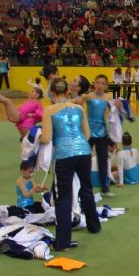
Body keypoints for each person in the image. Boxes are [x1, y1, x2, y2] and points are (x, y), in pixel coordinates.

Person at [40, 78, 101, 251]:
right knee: (86, 188)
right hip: (84, 152)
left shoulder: (49, 110)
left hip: (64, 155)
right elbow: (88, 134)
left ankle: (63, 242)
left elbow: (46, 138)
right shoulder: (79, 108)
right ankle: (94, 225)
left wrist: (36, 136)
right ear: (67, 91)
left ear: (52, 93)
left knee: (63, 197)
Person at [77, 75, 113, 196]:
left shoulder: (108, 97)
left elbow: (112, 114)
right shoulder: (88, 96)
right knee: (84, 160)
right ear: (94, 84)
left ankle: (105, 188)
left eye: (103, 83)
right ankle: (82, 186)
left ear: (106, 86)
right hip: (88, 132)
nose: (100, 85)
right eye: (98, 83)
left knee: (103, 161)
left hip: (102, 132)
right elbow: (77, 102)